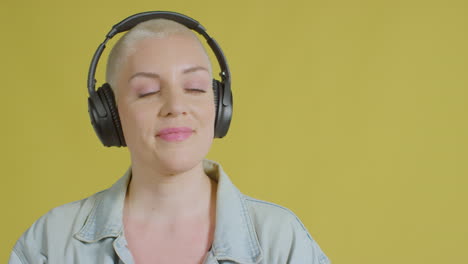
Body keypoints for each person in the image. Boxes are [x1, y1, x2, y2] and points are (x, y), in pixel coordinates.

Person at [9, 12, 330, 264]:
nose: (176, 107)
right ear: (108, 114)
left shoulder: (280, 238)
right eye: (147, 92)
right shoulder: (51, 242)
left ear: (220, 106)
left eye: (194, 88)